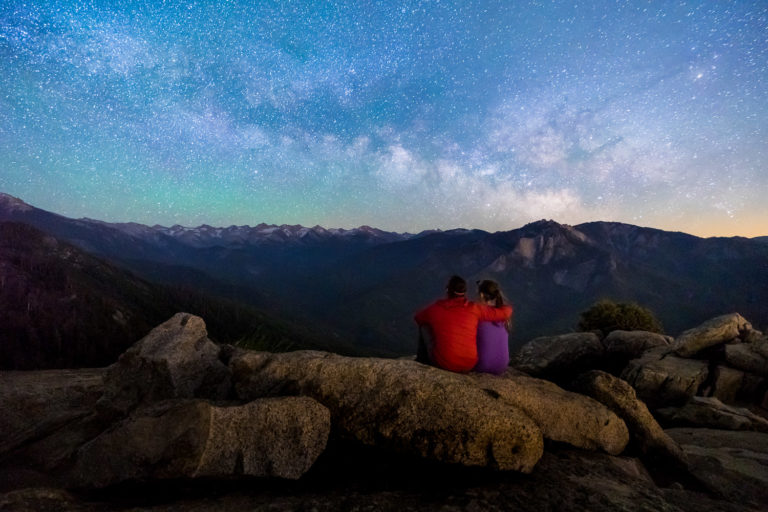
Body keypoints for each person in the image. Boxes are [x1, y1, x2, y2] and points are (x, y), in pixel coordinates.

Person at [414, 275, 513, 373]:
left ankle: (421, 361)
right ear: (465, 292)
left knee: (424, 326)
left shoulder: (436, 308)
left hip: (444, 363)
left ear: (447, 290)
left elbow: (418, 318)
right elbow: (504, 313)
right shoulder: (475, 309)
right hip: (469, 365)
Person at [474, 279, 512, 375]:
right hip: (502, 366)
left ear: (482, 295)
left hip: (482, 366)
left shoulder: (478, 315)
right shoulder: (504, 315)